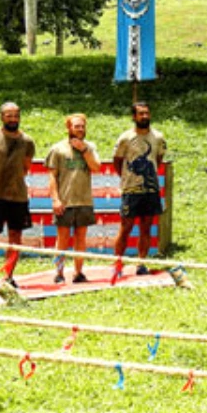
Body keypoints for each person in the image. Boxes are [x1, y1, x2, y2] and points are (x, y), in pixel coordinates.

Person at [0, 103, 36, 293]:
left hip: (18, 196)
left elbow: (25, 167)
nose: (12, 119)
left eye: (16, 115)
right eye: (9, 115)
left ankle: (9, 276)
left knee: (15, 237)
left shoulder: (27, 141)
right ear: (1, 116)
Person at [46, 114, 101, 284]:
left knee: (81, 238)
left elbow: (97, 168)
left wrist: (84, 150)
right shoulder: (58, 149)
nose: (80, 129)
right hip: (65, 200)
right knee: (62, 238)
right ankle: (59, 272)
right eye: (77, 126)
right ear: (69, 128)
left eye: (83, 126)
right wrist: (55, 199)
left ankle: (78, 272)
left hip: (84, 200)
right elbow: (52, 176)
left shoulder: (90, 147)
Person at [113, 103, 167, 274]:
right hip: (130, 190)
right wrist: (127, 178)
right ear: (134, 117)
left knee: (146, 227)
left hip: (150, 190)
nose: (144, 116)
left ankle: (141, 262)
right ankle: (118, 263)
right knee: (126, 227)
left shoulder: (158, 137)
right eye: (140, 114)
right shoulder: (125, 138)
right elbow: (117, 161)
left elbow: (158, 159)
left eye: (147, 113)